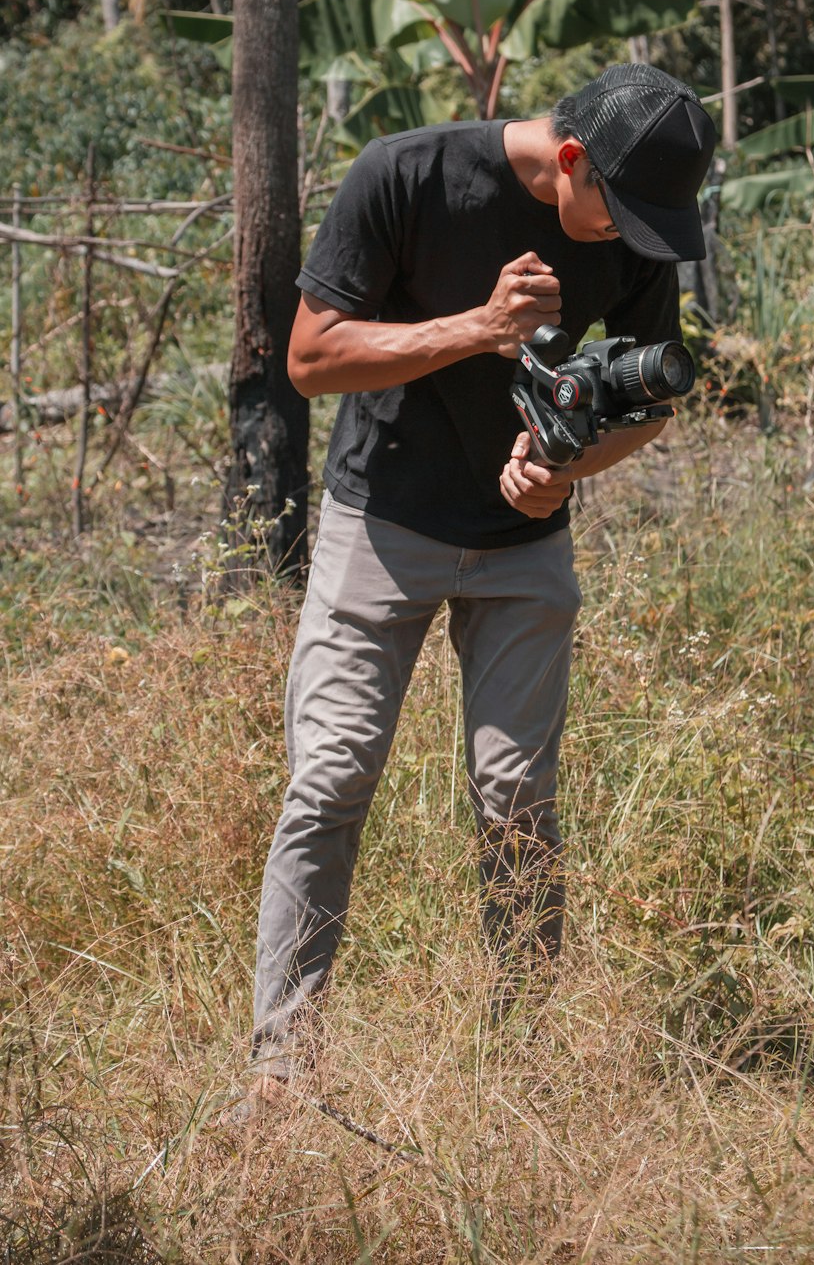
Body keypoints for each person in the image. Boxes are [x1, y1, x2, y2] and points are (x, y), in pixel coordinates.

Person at [250, 63, 717, 1082]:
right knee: (329, 784)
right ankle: (279, 1077)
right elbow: (311, 359)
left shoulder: (628, 230)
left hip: (523, 550)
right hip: (382, 524)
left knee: (516, 803)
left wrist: (560, 469)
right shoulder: (405, 175)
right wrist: (474, 328)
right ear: (568, 162)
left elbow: (650, 399)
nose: (634, 242)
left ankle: (517, 1073)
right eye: (623, 215)